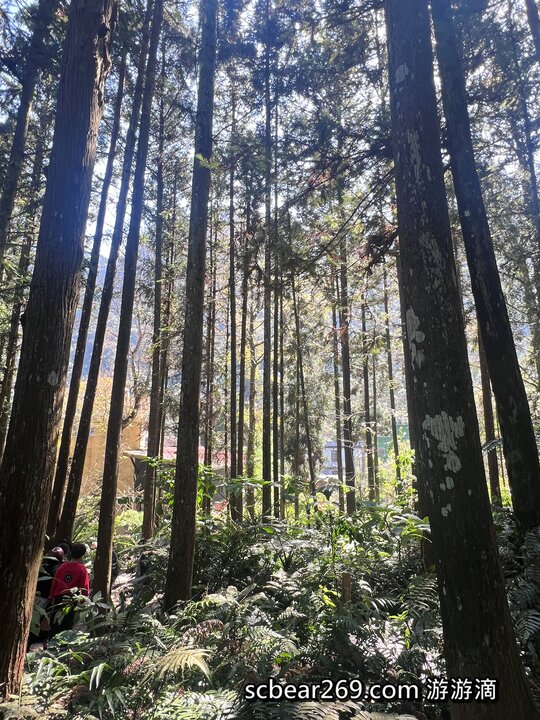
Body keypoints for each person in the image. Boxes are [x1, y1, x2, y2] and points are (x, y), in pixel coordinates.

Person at [27, 547, 65, 649]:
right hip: (47, 598)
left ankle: (33, 639)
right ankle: (42, 640)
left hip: (37, 597)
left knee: (36, 619)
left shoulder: (42, 567)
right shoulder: (58, 569)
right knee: (46, 620)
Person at [49, 542, 89, 636]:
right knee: (67, 623)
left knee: (55, 622)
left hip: (58, 597)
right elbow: (85, 587)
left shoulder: (62, 566)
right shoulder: (82, 568)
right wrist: (83, 601)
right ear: (82, 555)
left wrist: (51, 597)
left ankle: (51, 643)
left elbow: (54, 582)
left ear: (71, 552)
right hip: (71, 599)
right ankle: (63, 646)